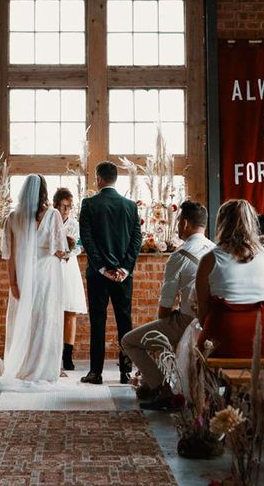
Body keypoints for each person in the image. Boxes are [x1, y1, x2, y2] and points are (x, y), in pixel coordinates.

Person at [121, 200, 212, 406]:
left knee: (129, 341)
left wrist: (163, 330)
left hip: (188, 321)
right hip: (213, 322)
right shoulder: (216, 250)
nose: (178, 225)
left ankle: (163, 390)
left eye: (179, 220)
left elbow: (165, 306)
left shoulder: (179, 256)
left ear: (186, 224)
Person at [1, 174, 69, 385]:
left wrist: (13, 283)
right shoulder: (53, 215)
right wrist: (67, 251)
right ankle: (45, 368)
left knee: (25, 320)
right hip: (47, 276)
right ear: (44, 192)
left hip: (23, 276)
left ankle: (22, 366)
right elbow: (60, 250)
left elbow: (10, 256)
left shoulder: (12, 218)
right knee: (46, 319)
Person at [78, 162, 142, 385]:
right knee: (125, 321)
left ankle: (96, 373)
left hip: (98, 275)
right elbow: (136, 240)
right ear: (116, 179)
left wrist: (102, 268)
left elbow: (87, 240)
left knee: (98, 321)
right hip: (124, 276)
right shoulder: (130, 206)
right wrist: (124, 268)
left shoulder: (89, 204)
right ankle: (126, 372)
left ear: (99, 179)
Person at [195, 199, 264, 357]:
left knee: (196, 352)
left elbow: (203, 311)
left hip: (227, 335)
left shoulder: (210, 259)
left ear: (221, 223)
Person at [52, 188, 87, 371]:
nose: (66, 210)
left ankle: (68, 355)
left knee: (70, 311)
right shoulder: (50, 221)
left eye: (69, 207)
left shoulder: (74, 224)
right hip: (53, 266)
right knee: (52, 311)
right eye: (63, 206)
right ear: (56, 205)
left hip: (69, 266)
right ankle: (52, 353)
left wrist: (70, 253)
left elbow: (80, 245)